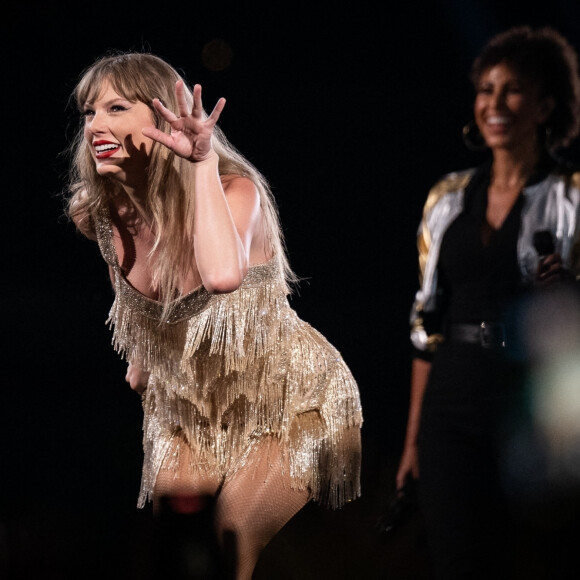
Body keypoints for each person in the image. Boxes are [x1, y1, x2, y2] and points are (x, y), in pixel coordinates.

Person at [64, 51, 363, 579]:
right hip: (190, 410)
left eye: (115, 108)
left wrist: (199, 163)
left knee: (230, 536)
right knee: (178, 550)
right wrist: (143, 364)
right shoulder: (101, 215)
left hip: (289, 401)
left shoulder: (234, 192)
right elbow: (133, 316)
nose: (96, 126)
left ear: (164, 117)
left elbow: (222, 277)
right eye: (89, 113)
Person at [395, 25, 580, 579]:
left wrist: (569, 288)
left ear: (546, 105)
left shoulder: (571, 196)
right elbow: (425, 328)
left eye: (513, 89)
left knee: (530, 557)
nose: (495, 103)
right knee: (457, 560)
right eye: (486, 89)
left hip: (530, 400)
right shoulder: (447, 198)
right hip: (452, 396)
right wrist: (412, 444)